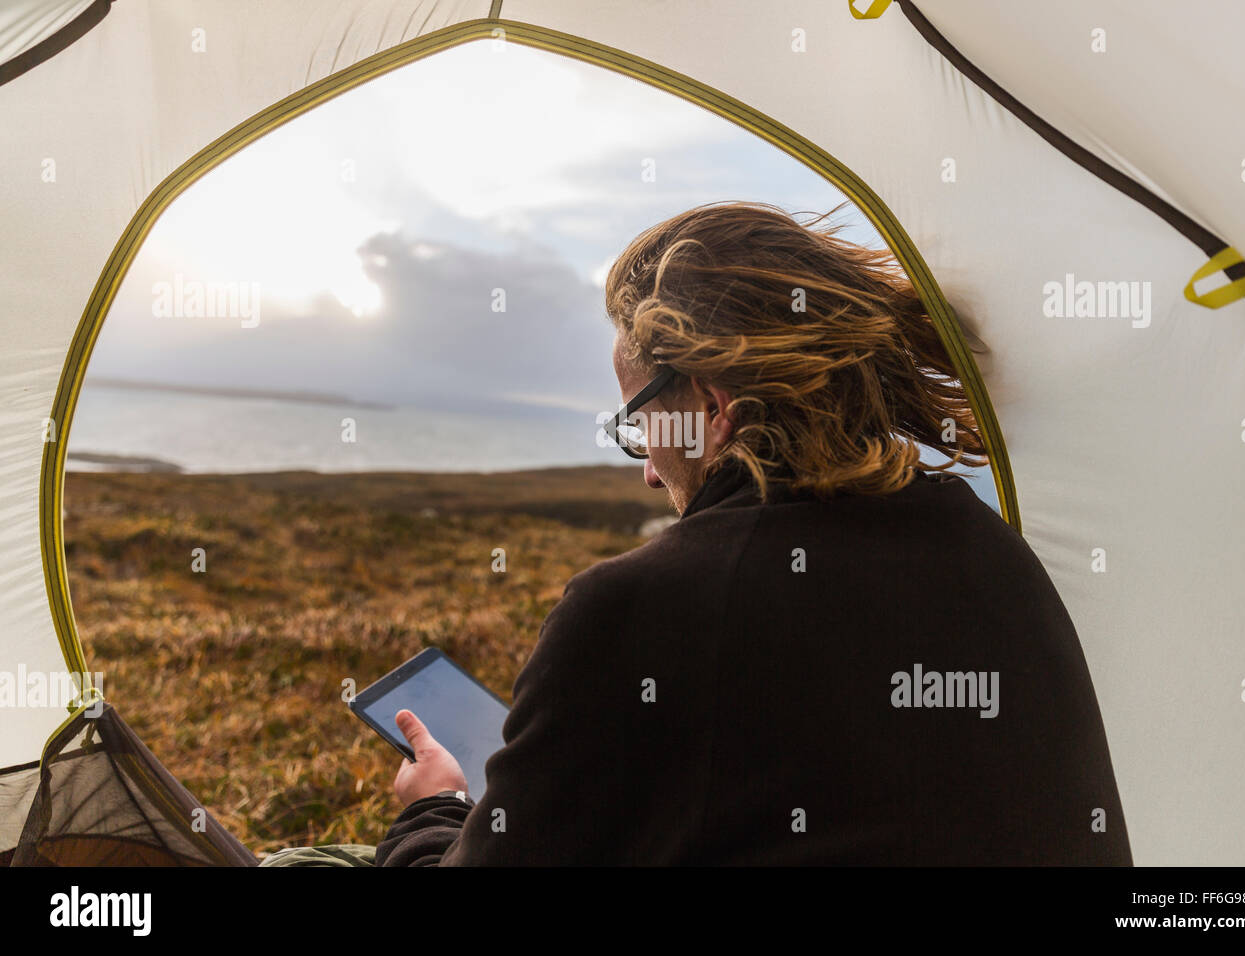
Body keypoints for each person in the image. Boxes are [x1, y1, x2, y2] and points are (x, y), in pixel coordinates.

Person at [263, 200, 1131, 866]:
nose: (644, 465)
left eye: (639, 421)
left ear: (713, 410)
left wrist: (431, 812)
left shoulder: (640, 607)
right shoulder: (996, 557)